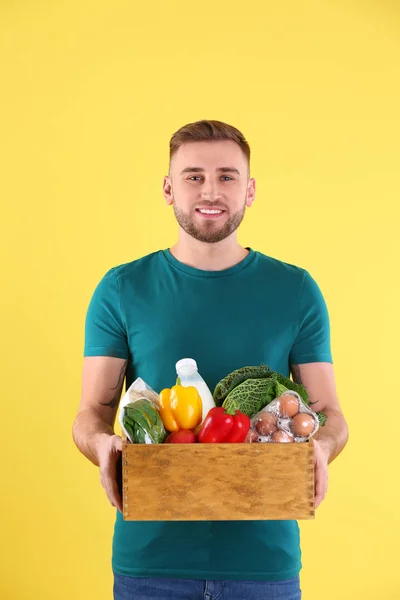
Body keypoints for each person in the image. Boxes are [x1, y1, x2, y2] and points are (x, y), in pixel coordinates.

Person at [72, 119, 349, 600]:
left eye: (227, 176)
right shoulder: (121, 289)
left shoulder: (295, 290)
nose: (211, 191)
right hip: (149, 563)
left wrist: (321, 448)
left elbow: (330, 414)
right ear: (168, 188)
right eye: (194, 176)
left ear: (251, 189)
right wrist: (103, 446)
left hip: (264, 564)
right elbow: (91, 412)